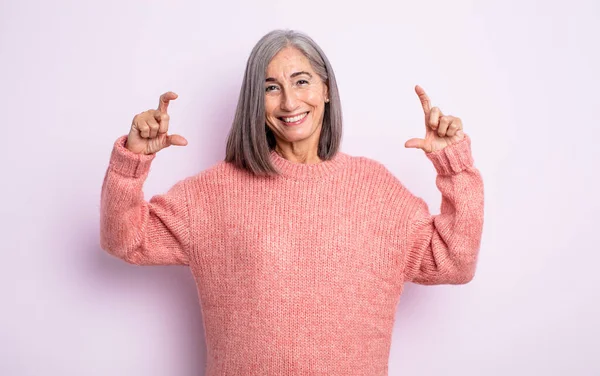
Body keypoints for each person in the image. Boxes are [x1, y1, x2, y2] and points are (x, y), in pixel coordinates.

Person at [100, 29, 484, 375]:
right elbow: (125, 239)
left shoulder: (375, 191)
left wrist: (454, 165)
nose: (288, 101)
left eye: (302, 81)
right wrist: (133, 159)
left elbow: (454, 261)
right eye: (270, 88)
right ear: (256, 100)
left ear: (326, 89)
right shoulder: (215, 194)